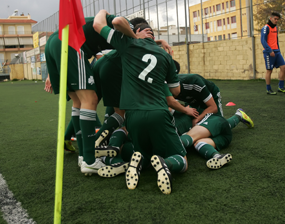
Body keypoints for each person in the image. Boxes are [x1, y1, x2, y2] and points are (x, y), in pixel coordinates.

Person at [93, 11, 187, 194]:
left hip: (132, 114)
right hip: (158, 111)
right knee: (182, 160)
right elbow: (176, 91)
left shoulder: (127, 44)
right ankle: (165, 163)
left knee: (137, 146)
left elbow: (100, 24)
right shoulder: (165, 56)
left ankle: (131, 161)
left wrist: (103, 12)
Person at [45, 14, 141, 175]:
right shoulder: (125, 26)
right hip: (71, 44)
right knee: (90, 99)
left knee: (78, 101)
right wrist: (135, 37)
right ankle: (90, 160)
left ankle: (84, 156)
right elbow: (117, 22)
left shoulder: (118, 37)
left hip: (55, 43)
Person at [179, 108, 253, 169]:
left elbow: (213, 106)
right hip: (224, 137)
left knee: (190, 137)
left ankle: (239, 115)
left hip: (214, 119)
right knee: (198, 143)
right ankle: (217, 156)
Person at [260, 12, 285, 95]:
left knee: (284, 68)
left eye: (277, 19)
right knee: (269, 71)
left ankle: (281, 87)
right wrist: (270, 51)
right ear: (271, 18)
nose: (276, 20)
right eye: (275, 19)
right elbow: (263, 41)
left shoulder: (276, 28)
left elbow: (276, 40)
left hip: (277, 51)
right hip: (269, 52)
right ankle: (268, 89)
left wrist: (278, 50)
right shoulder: (266, 28)